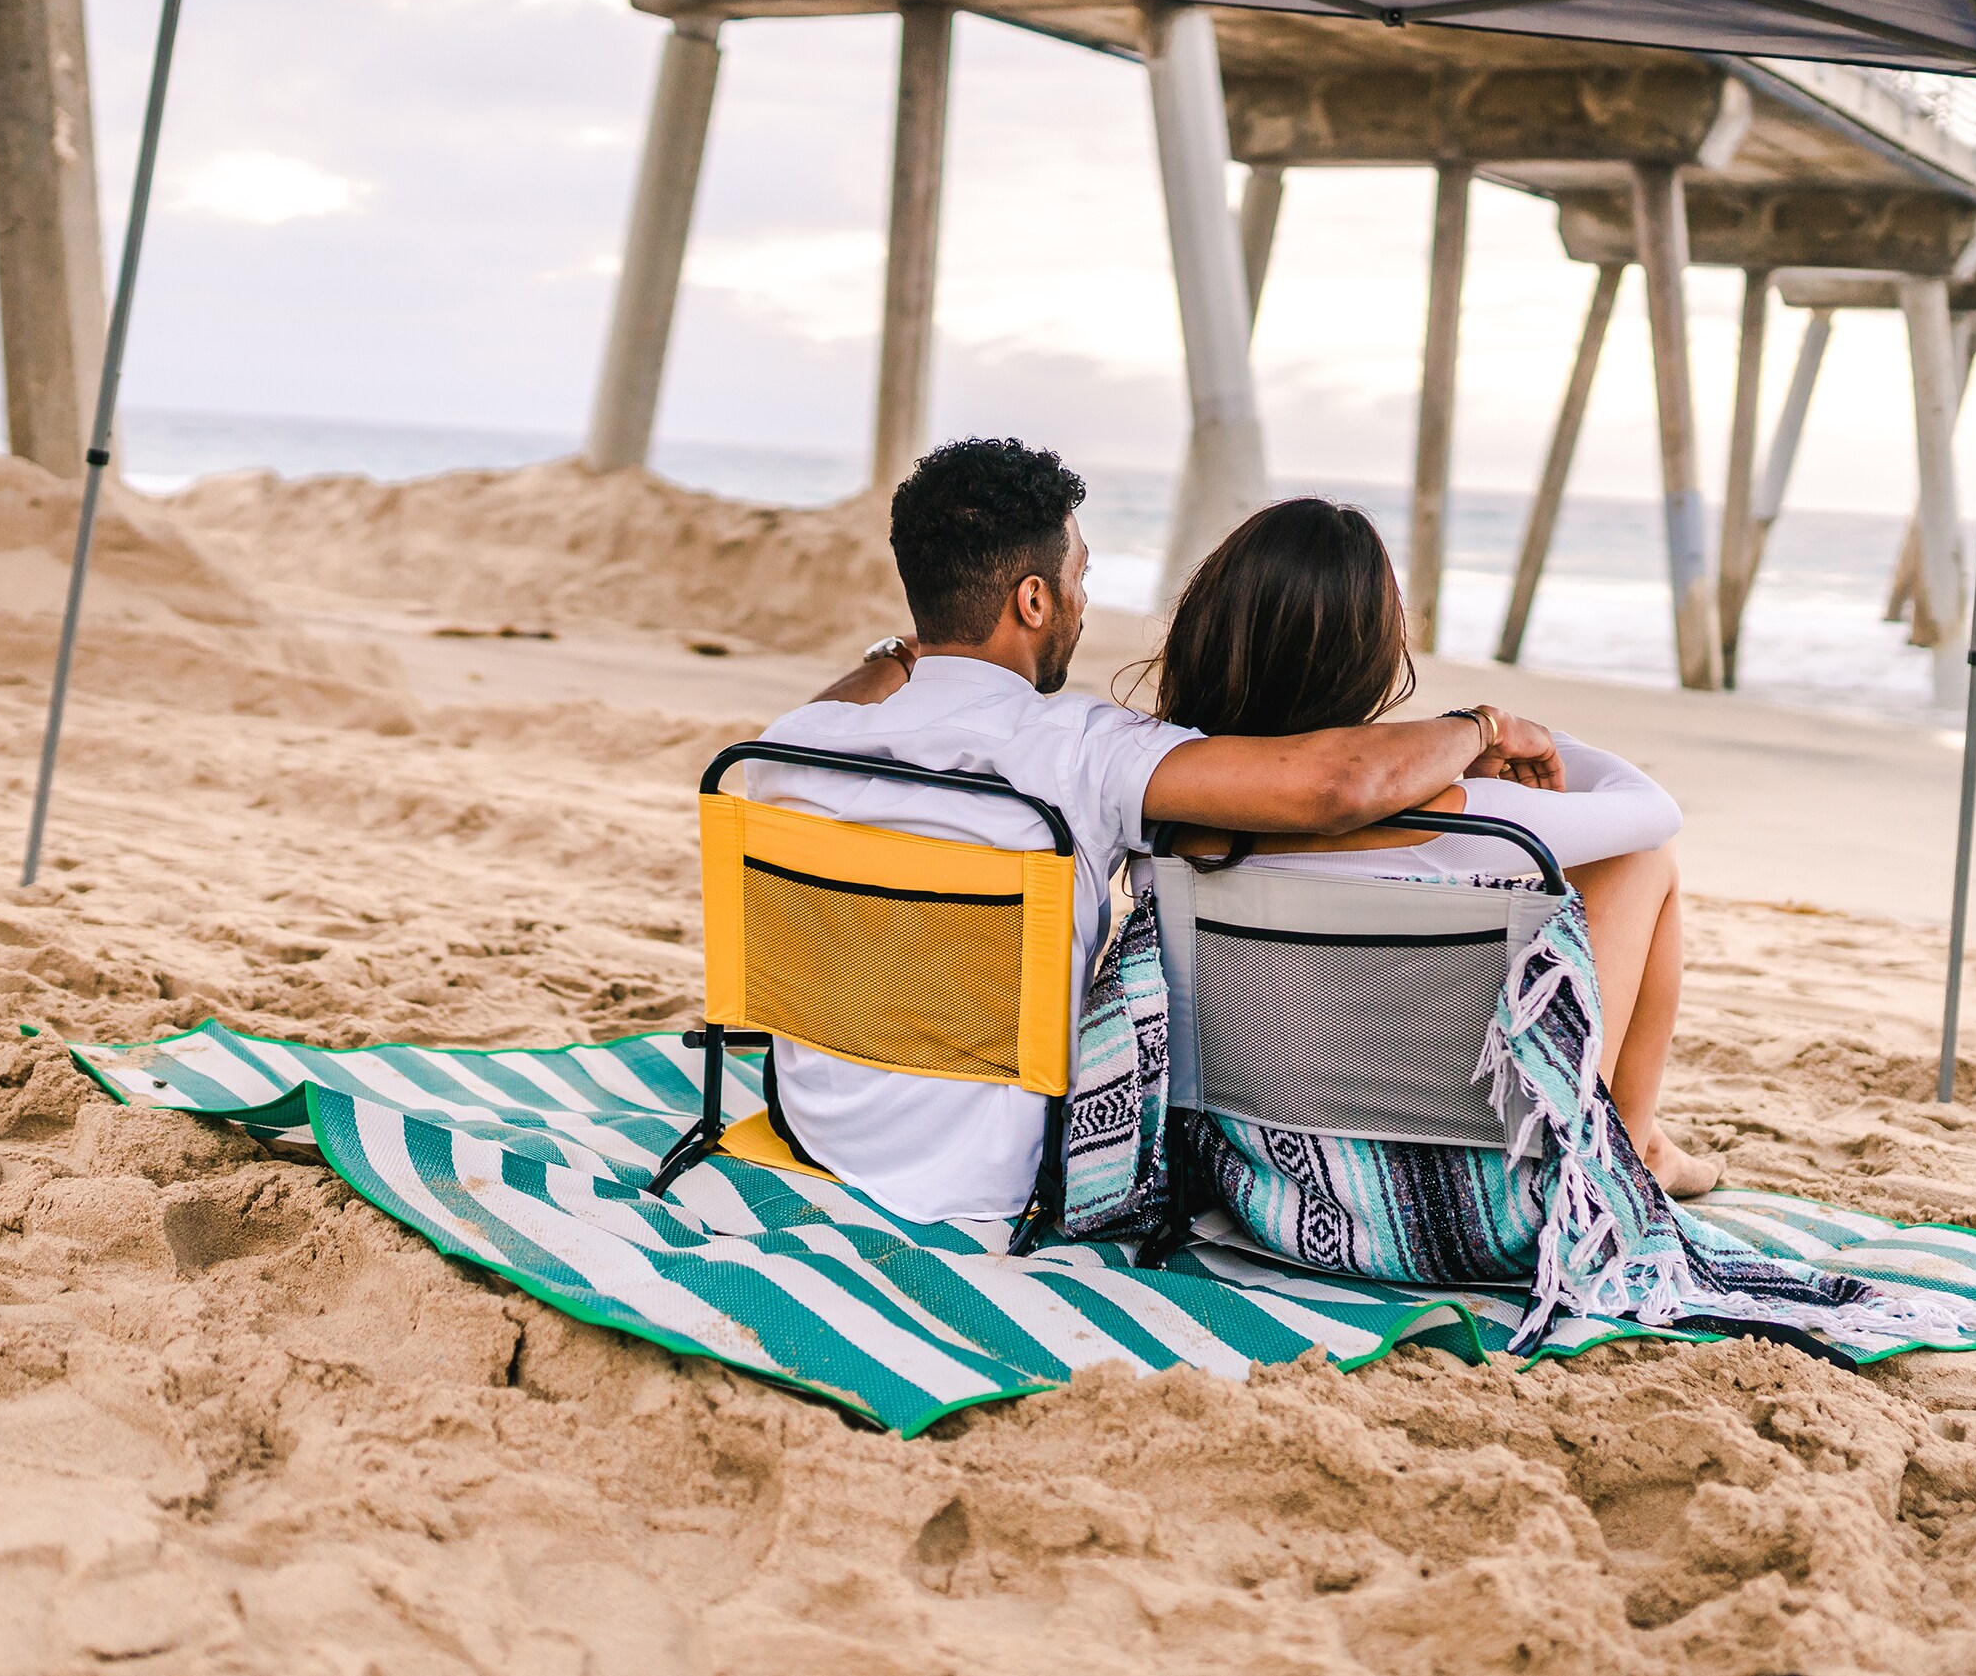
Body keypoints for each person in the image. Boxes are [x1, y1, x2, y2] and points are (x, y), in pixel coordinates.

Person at [735, 439, 1561, 1225]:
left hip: (815, 1135)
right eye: (1078, 577)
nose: (1084, 603)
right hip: (984, 1180)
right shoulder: (1081, 751)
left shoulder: (786, 748)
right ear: (1033, 598)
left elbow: (831, 704)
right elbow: (1338, 783)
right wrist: (1483, 724)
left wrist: (903, 651)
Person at [1133, 497, 1722, 1223]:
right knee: (1641, 863)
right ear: (1378, 654)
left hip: (1255, 1185)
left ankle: (1648, 1140)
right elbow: (1653, 808)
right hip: (1479, 1213)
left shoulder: (1160, 817)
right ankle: (1634, 1144)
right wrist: (1502, 730)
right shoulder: (1486, 821)